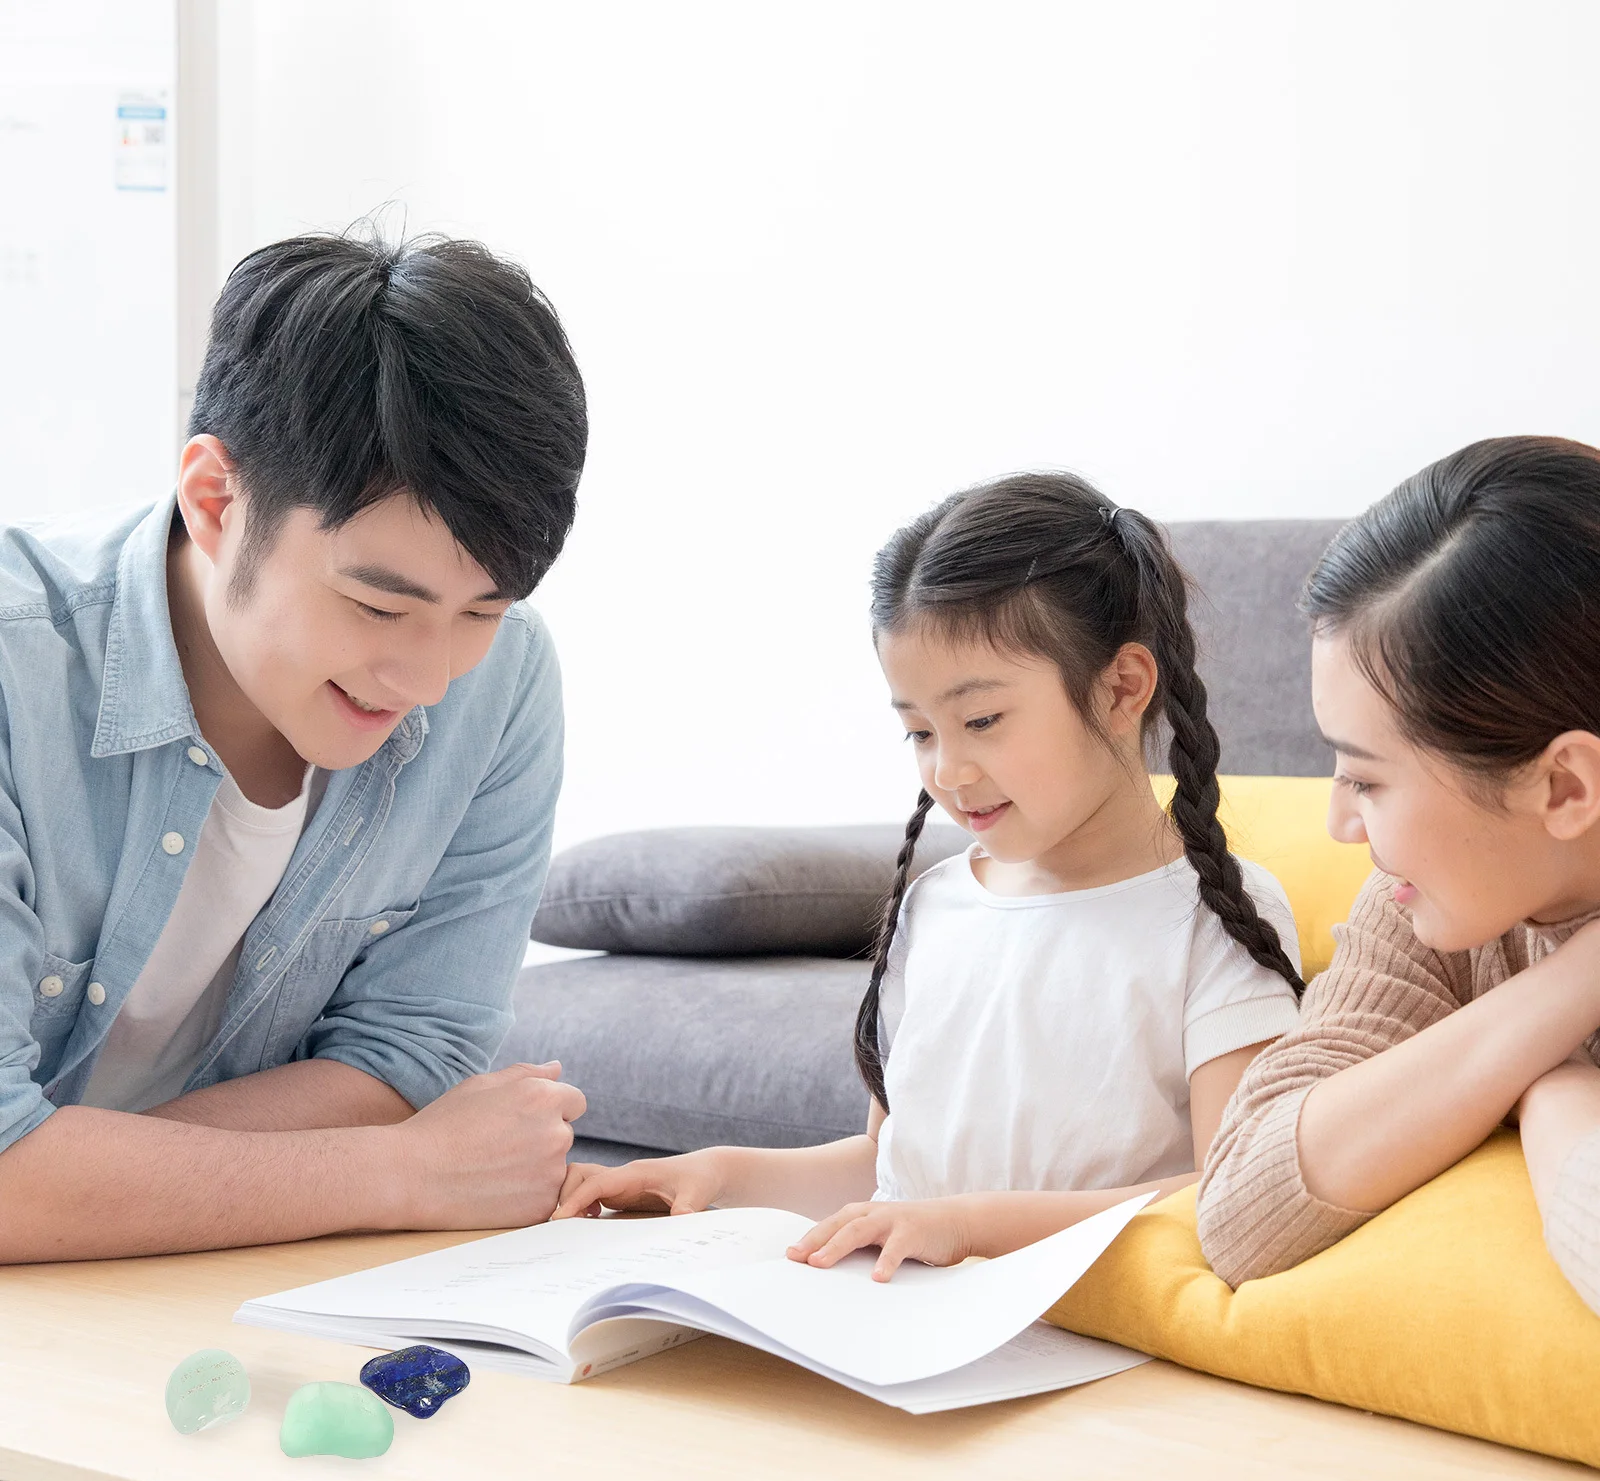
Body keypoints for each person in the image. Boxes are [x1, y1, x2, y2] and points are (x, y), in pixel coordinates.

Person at [0, 230, 591, 1262]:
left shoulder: (502, 685)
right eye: (375, 603)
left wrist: (70, 1180)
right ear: (216, 501)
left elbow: (412, 1054)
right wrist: (404, 1169)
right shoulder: (20, 671)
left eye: (481, 610)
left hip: (208, 1285)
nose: (427, 679)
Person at [555, 472, 1304, 1278]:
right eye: (918, 731)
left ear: (1122, 688)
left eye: (982, 720)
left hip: (1085, 1340)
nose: (948, 770)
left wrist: (974, 1227)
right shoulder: (937, 906)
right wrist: (720, 1176)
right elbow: (887, 1170)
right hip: (903, 1317)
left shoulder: (1213, 917)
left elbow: (1226, 1196)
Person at [1197, 436, 1600, 1315]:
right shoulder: (1436, 904)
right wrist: (1568, 995)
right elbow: (1237, 1212)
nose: (1341, 824)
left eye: (1368, 779)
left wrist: (1556, 1089)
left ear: (1565, 786)